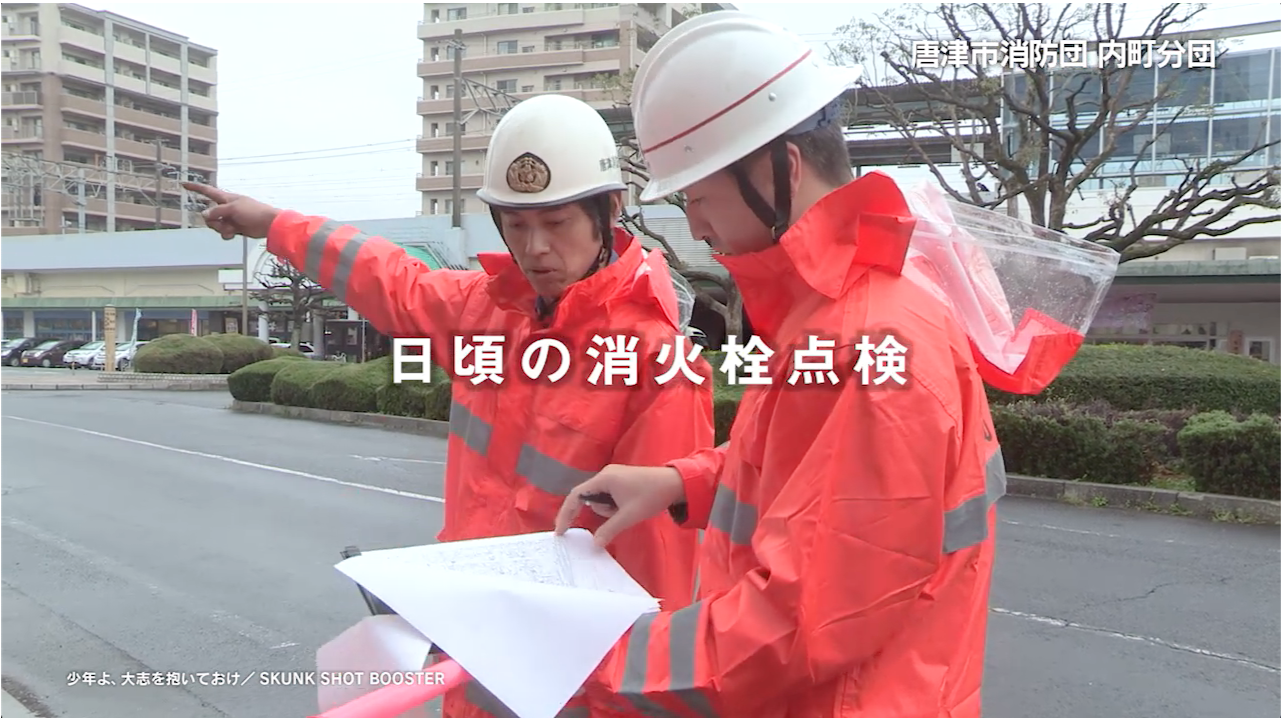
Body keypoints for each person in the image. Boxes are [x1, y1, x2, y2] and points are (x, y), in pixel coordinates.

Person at [554, 10, 1115, 719]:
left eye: (697, 194)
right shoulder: (839, 311)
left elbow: (795, 624)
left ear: (777, 169)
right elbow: (810, 479)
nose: (694, 223)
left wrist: (584, 661)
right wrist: (680, 482)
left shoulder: (868, 339)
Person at [183, 93, 714, 719]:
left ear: (610, 211)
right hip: (474, 657)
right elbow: (389, 277)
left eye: (558, 223)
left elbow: (659, 571)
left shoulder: (655, 359)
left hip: (574, 684)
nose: (536, 248)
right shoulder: (485, 313)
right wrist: (275, 224)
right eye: (517, 225)